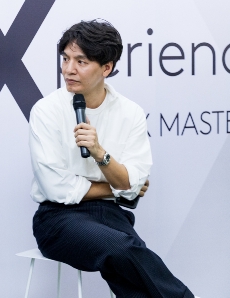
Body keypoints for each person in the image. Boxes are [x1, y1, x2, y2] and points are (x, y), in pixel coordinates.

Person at [29, 20, 197, 298]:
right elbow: (56, 188)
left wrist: (100, 153)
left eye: (81, 61)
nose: (68, 69)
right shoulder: (46, 111)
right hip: (57, 219)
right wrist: (116, 186)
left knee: (130, 270)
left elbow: (132, 184)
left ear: (106, 68)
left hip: (111, 214)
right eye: (66, 59)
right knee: (123, 248)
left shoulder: (130, 113)